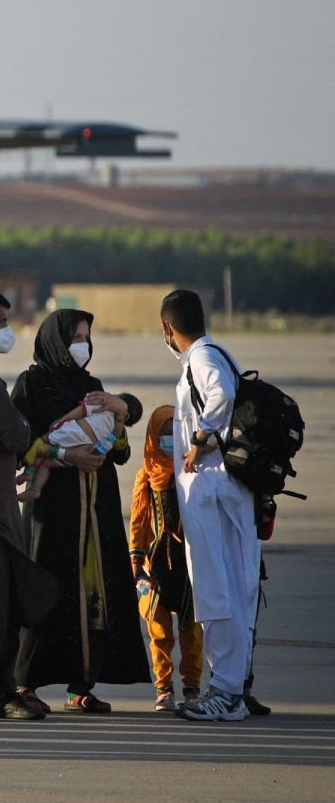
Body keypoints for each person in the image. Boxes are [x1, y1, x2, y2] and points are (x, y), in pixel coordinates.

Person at [0, 287, 96, 723]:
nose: (7, 332)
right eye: (3, 323)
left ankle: (1, 690)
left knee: (8, 603)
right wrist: (17, 425)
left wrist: (13, 426)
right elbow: (18, 435)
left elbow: (11, 432)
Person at [9, 310, 149, 713]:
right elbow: (21, 444)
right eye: (76, 337)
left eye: (87, 337)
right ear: (56, 340)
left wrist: (120, 417)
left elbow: (118, 448)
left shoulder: (93, 387)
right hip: (52, 507)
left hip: (94, 505)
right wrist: (65, 455)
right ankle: (25, 683)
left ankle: (80, 685)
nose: (83, 345)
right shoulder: (31, 384)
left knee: (94, 590)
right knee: (44, 587)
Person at [161, 288, 260, 723]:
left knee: (217, 589)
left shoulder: (202, 359)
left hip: (212, 491)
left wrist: (200, 440)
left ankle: (224, 691)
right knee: (234, 591)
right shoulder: (216, 351)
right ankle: (233, 689)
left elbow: (218, 396)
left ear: (168, 328)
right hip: (225, 490)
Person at [130, 404, 204, 712]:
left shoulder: (194, 471)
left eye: (175, 431)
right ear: (152, 436)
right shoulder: (146, 475)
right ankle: (163, 690)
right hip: (156, 563)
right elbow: (137, 519)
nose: (169, 437)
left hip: (190, 563)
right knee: (158, 631)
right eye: (163, 432)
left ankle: (192, 687)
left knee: (192, 629)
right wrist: (135, 563)